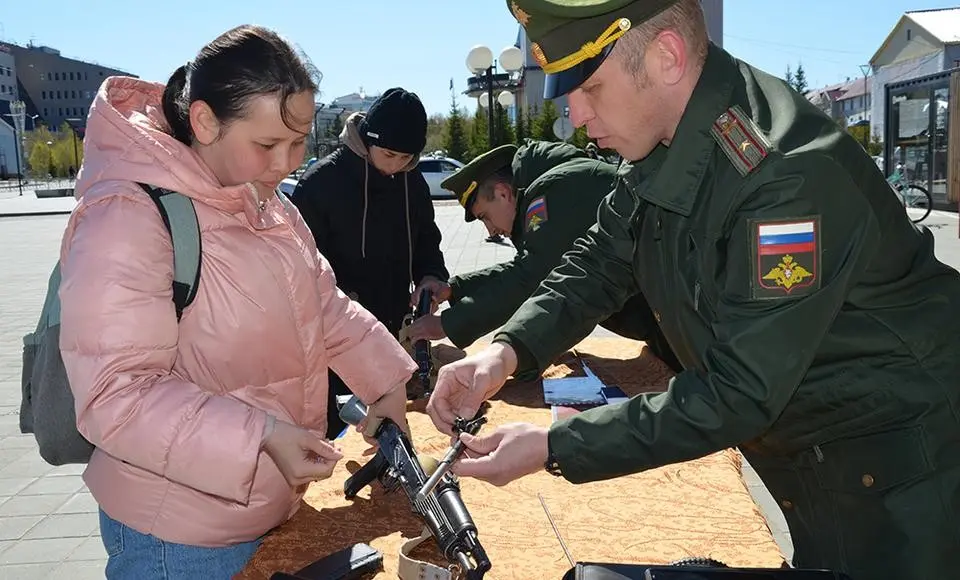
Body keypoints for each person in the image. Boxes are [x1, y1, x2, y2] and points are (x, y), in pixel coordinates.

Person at [425, 1, 960, 579]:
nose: (574, 114)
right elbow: (600, 262)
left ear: (667, 58)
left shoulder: (782, 178)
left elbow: (738, 390)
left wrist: (555, 446)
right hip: (824, 462)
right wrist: (501, 355)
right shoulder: (667, 141)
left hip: (903, 477)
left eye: (591, 87)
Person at [58, 25, 416, 578]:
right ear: (204, 121)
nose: (286, 164)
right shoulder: (128, 215)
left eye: (298, 143)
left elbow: (324, 305)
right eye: (268, 144)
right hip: (175, 538)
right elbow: (115, 394)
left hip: (264, 508)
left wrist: (388, 382)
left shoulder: (269, 204)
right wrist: (261, 439)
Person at [405, 139, 681, 373]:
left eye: (485, 217)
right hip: (668, 321)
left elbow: (531, 277)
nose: (491, 230)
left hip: (681, 325)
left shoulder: (551, 192)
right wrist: (454, 289)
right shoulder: (552, 184)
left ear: (502, 193)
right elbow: (526, 267)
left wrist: (447, 324)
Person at [291, 87, 449, 430]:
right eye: (390, 154)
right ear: (367, 138)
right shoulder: (320, 184)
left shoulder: (412, 180)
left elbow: (426, 239)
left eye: (407, 158)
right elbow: (298, 273)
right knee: (336, 431)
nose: (396, 166)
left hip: (395, 333)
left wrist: (431, 275)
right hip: (334, 342)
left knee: (393, 427)